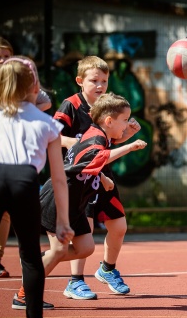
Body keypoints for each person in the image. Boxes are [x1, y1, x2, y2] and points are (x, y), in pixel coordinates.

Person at [0, 56, 73, 318]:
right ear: (35, 85)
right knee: (30, 256)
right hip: (25, 182)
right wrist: (62, 221)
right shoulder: (47, 124)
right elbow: (59, 179)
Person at [11, 93, 147, 310]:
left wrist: (102, 177)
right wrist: (130, 147)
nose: (127, 125)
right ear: (109, 121)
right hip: (58, 199)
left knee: (85, 247)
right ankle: (24, 294)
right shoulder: (96, 139)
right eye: (124, 120)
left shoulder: (96, 135)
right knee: (58, 251)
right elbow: (99, 157)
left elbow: (76, 162)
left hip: (75, 204)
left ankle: (37, 261)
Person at [53, 56, 141, 300]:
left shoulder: (108, 106)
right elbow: (53, 135)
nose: (100, 85)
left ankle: (107, 269)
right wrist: (79, 144)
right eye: (94, 80)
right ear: (80, 81)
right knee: (86, 229)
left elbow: (110, 141)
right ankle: (75, 282)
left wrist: (127, 135)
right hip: (81, 176)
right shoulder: (70, 105)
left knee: (119, 226)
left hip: (103, 174)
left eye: (104, 80)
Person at [0, 36, 52, 279]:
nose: (3, 60)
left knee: (4, 213)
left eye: (7, 56)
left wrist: (25, 111)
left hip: (8, 154)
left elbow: (44, 100)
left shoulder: (18, 80)